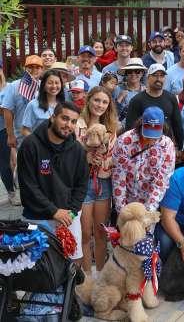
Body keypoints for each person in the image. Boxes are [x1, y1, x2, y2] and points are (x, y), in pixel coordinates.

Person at [17, 102, 89, 261]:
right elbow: (29, 186)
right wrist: (54, 211)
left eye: (73, 121)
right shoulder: (30, 145)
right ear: (52, 117)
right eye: (65, 118)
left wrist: (71, 211)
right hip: (37, 215)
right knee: (39, 268)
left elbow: (82, 184)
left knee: (72, 262)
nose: (68, 125)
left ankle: (70, 287)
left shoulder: (77, 150)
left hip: (68, 215)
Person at [76, 86, 118, 272]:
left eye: (104, 102)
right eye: (96, 100)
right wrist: (85, 156)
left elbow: (113, 155)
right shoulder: (77, 124)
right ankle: (86, 279)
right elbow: (71, 153)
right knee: (85, 234)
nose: (100, 105)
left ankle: (100, 276)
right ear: (89, 100)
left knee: (101, 233)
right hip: (83, 182)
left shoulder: (112, 127)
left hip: (103, 181)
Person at [112, 106, 176, 213]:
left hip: (150, 200)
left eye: (154, 135)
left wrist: (148, 213)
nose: (151, 138)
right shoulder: (124, 141)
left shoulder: (167, 146)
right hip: (126, 198)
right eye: (148, 134)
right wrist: (122, 210)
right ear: (141, 124)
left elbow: (161, 182)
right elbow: (119, 177)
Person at [125, 63, 184, 146]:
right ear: (148, 78)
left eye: (162, 76)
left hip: (166, 147)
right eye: (155, 75)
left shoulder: (171, 98)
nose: (158, 79)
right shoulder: (137, 100)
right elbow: (130, 128)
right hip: (143, 146)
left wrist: (180, 147)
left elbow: (177, 125)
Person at [2, 55, 44, 157]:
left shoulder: (45, 86)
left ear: (42, 70)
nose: (34, 69)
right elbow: (7, 111)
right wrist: (10, 135)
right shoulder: (13, 86)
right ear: (25, 68)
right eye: (31, 66)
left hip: (43, 136)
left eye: (37, 67)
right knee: (25, 167)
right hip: (22, 136)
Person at [21, 70, 64, 137]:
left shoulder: (64, 105)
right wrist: (37, 143)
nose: (54, 86)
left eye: (57, 83)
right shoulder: (33, 105)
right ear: (43, 85)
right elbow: (25, 130)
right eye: (50, 83)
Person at [0, 68, 19, 205]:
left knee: (9, 163)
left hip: (6, 130)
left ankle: (14, 193)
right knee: (3, 164)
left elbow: (12, 108)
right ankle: (10, 192)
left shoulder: (10, 88)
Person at [115, 58, 147, 122]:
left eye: (137, 71)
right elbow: (112, 114)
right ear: (126, 74)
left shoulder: (146, 91)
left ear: (142, 73)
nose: (133, 74)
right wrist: (119, 99)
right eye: (130, 71)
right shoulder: (117, 89)